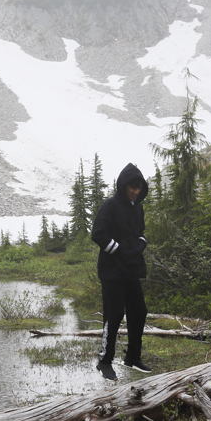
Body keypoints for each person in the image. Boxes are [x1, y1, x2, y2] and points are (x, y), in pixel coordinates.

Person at [91, 162, 151, 381]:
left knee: (139, 312)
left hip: (131, 271)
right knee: (114, 315)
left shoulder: (138, 207)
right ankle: (105, 361)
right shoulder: (110, 206)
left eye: (139, 187)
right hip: (112, 272)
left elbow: (141, 233)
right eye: (132, 187)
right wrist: (119, 251)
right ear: (123, 185)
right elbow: (98, 234)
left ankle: (133, 357)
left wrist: (141, 244)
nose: (135, 191)